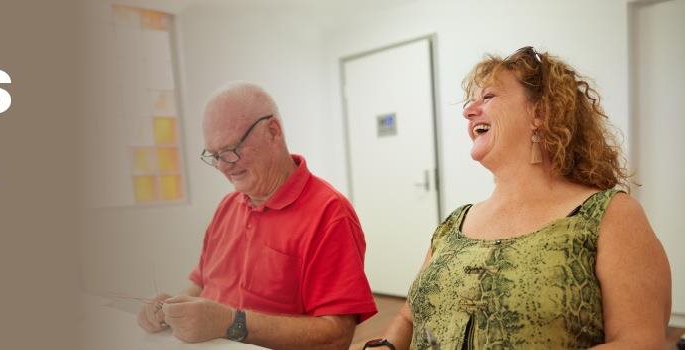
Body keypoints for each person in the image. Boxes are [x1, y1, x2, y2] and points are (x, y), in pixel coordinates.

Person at [365, 47, 672, 349]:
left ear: (540, 112)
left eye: (488, 97)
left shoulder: (607, 215)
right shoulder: (454, 223)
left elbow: (639, 341)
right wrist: (386, 346)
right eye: (471, 102)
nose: (468, 111)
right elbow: (408, 317)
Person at [137, 82, 377, 349]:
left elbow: (336, 336)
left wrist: (231, 322)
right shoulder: (227, 206)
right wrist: (171, 309)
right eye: (214, 155)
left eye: (230, 151)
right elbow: (201, 284)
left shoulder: (329, 213)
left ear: (273, 132)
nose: (223, 167)